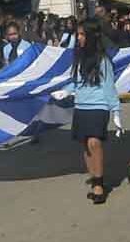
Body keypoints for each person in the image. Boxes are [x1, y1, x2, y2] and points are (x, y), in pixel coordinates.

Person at [51, 20, 121, 205]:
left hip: (98, 106)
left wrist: (116, 111)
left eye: (82, 34)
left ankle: (99, 184)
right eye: (78, 34)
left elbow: (109, 87)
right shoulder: (79, 58)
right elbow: (76, 82)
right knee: (85, 144)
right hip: (81, 106)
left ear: (91, 36)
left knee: (94, 142)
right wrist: (66, 90)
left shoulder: (103, 61)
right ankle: (95, 177)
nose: (79, 38)